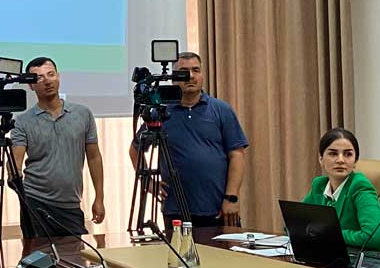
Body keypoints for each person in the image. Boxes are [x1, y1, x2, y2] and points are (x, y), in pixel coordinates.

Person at [128, 52, 248, 227]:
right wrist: (149, 183)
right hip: (175, 210)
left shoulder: (221, 110)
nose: (190, 76)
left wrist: (231, 197)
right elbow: (135, 150)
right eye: (183, 72)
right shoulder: (160, 112)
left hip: (218, 209)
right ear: (173, 78)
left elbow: (237, 154)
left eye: (196, 70)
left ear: (202, 75)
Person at [12, 57, 105, 237]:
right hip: (35, 202)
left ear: (58, 76)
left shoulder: (83, 114)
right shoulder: (23, 121)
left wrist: (99, 197)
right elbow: (16, 163)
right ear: (30, 85)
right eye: (39, 78)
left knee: (75, 251)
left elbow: (94, 157)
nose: (47, 81)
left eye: (51, 74)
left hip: (70, 203)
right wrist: (14, 177)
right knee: (38, 253)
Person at [302, 128, 380, 249]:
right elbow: (295, 223)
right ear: (321, 159)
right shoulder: (319, 185)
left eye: (348, 154)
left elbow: (373, 237)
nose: (340, 160)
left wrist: (328, 233)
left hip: (360, 257)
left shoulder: (360, 186)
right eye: (333, 154)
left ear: (355, 161)